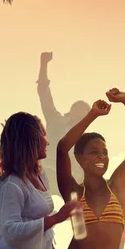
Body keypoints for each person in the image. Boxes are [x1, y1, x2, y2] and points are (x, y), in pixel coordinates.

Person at [55, 88, 125, 249]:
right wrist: (92, 115)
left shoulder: (118, 187)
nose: (102, 156)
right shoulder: (73, 192)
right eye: (94, 152)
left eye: (105, 152)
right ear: (80, 159)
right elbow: (62, 148)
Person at [0, 112, 82, 249]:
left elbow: (39, 230)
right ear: (29, 139)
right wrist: (57, 217)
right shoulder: (11, 183)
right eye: (43, 136)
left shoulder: (40, 176)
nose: (47, 141)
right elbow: (11, 231)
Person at [37, 51, 89, 193]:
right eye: (78, 110)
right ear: (70, 112)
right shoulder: (56, 121)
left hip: (73, 183)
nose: (80, 115)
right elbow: (43, 92)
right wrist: (43, 65)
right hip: (47, 175)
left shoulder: (88, 141)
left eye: (85, 114)